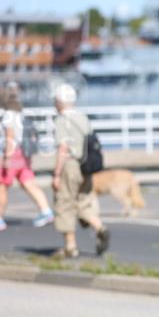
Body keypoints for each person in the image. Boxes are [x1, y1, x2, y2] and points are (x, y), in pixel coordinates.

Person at [0, 86, 54, 232]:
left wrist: (7, 158)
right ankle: (46, 212)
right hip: (24, 153)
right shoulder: (20, 113)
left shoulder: (7, 115)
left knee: (2, 186)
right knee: (28, 182)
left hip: (13, 153)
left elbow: (9, 137)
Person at [51, 83, 109, 258]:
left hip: (71, 165)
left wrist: (57, 174)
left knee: (65, 203)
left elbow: (63, 148)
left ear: (59, 101)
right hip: (87, 167)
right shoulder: (83, 118)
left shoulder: (61, 120)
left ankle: (70, 246)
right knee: (83, 200)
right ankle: (100, 227)